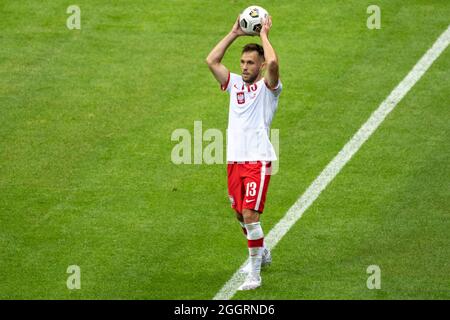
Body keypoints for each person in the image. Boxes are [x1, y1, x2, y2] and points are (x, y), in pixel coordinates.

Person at [206, 14, 282, 290]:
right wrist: (234, 33)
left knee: (250, 215)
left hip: (258, 160)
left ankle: (255, 274)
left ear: (260, 66)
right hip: (234, 161)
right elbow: (211, 61)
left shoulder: (269, 88)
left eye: (251, 63)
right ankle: (261, 251)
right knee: (240, 215)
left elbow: (273, 62)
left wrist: (264, 35)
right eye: (243, 62)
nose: (245, 67)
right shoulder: (235, 83)